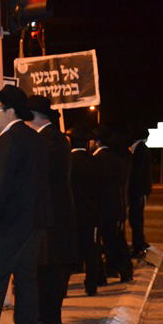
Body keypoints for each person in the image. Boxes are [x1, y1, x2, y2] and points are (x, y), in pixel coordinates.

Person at [0, 85, 50, 324]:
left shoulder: (9, 140)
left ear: (10, 112)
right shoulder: (35, 138)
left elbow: (0, 189)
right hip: (34, 225)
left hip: (9, 226)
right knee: (27, 282)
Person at [26, 95, 75, 324]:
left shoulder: (48, 140)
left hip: (52, 215)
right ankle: (48, 312)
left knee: (50, 266)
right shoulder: (53, 138)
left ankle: (49, 314)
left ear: (33, 117)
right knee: (49, 266)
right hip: (56, 214)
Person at [93, 126, 134, 283]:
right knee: (116, 239)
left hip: (102, 207)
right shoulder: (117, 158)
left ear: (97, 142)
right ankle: (122, 269)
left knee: (105, 241)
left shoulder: (96, 159)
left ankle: (114, 270)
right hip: (116, 206)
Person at [67, 127, 103, 296]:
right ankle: (91, 285)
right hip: (91, 214)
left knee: (67, 251)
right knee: (91, 251)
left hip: (70, 213)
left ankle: (63, 287)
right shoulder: (95, 162)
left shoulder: (67, 161)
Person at [128, 126, 152, 257]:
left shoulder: (139, 150)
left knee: (135, 219)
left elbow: (136, 172)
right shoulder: (140, 148)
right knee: (136, 218)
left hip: (138, 191)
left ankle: (138, 245)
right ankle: (140, 242)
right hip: (140, 190)